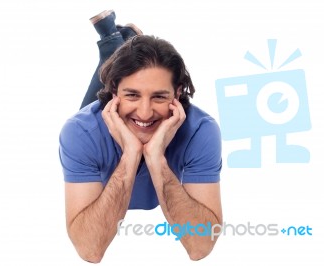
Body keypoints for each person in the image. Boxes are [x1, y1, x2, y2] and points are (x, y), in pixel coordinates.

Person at [59, 10, 223, 263]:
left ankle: (116, 43)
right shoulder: (81, 131)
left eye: (159, 96)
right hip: (98, 116)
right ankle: (115, 44)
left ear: (178, 94)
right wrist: (131, 154)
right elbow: (90, 251)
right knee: (91, 109)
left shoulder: (200, 130)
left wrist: (155, 158)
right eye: (132, 95)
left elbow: (200, 247)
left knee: (124, 103)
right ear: (114, 93)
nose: (145, 112)